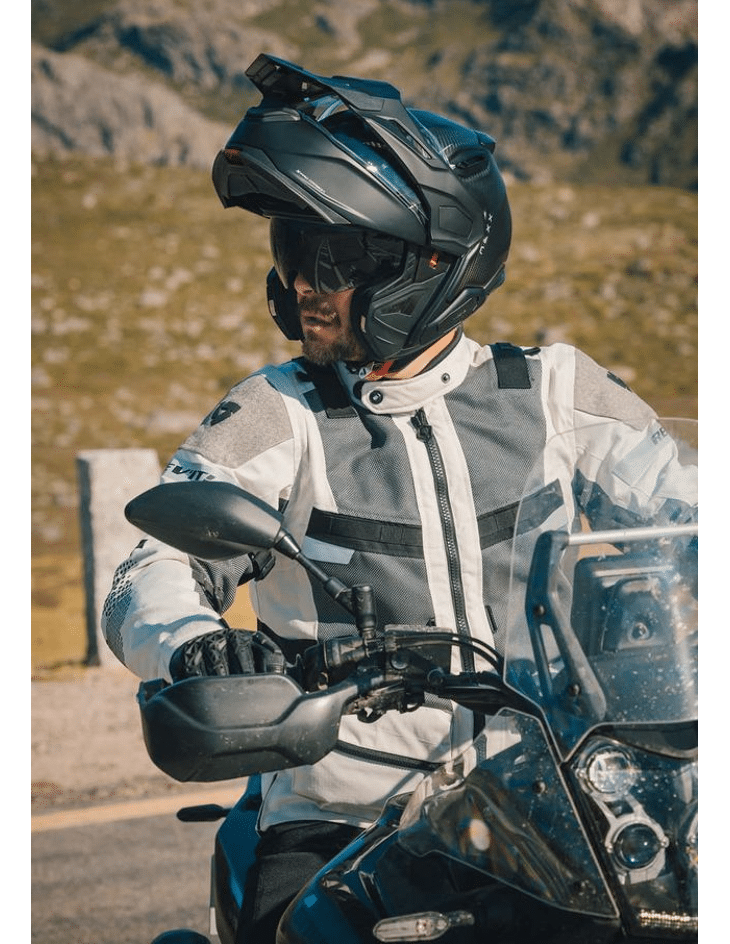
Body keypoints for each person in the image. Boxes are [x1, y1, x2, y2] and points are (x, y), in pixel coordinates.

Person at [102, 53, 697, 941]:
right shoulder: (280, 412)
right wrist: (194, 646)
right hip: (344, 813)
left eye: (335, 257)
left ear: (432, 264)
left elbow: (689, 507)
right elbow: (151, 565)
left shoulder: (552, 390)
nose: (305, 285)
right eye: (292, 253)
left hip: (551, 806)